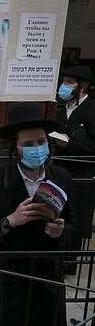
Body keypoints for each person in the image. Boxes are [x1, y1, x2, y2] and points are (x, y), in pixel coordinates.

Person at [0, 102, 76, 326]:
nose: (37, 149)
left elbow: (74, 225)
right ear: (16, 148)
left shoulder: (60, 177)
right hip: (7, 279)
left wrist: (60, 231)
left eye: (41, 142)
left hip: (46, 279)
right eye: (29, 144)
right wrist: (10, 221)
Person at [54, 65, 95, 274]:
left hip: (80, 173)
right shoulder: (64, 108)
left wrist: (70, 144)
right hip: (61, 169)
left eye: (70, 82)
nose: (65, 86)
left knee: (76, 215)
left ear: (83, 86)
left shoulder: (90, 110)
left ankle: (69, 262)